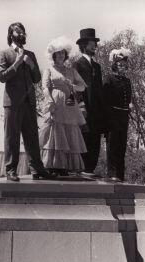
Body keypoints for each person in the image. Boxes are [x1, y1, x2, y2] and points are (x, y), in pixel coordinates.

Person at [0, 22, 57, 181]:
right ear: (11, 34)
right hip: (12, 103)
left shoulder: (30, 54)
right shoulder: (4, 53)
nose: (22, 34)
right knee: (12, 137)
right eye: (18, 31)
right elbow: (1, 76)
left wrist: (31, 65)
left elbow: (37, 78)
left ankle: (37, 169)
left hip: (29, 102)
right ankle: (11, 170)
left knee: (32, 137)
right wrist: (16, 63)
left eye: (23, 31)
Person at [39, 36, 88, 175]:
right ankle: (53, 165)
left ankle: (66, 166)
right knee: (55, 131)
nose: (60, 55)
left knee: (69, 130)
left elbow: (82, 87)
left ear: (65, 55)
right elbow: (44, 87)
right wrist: (50, 102)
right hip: (55, 102)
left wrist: (72, 85)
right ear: (53, 55)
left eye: (62, 53)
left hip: (70, 104)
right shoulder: (49, 70)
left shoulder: (71, 70)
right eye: (58, 53)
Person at [73, 28, 104, 177]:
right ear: (84, 45)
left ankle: (90, 169)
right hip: (84, 109)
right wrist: (81, 105)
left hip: (97, 111)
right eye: (92, 44)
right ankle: (83, 169)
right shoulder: (77, 64)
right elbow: (75, 88)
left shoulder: (97, 67)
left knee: (95, 140)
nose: (95, 46)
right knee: (84, 138)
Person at [102, 48, 133, 182]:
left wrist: (129, 106)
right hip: (112, 115)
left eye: (124, 65)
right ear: (115, 65)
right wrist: (108, 116)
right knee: (112, 145)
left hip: (124, 116)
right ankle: (112, 173)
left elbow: (129, 97)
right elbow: (103, 98)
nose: (122, 66)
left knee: (122, 145)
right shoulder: (109, 79)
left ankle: (120, 174)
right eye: (120, 64)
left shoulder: (127, 81)